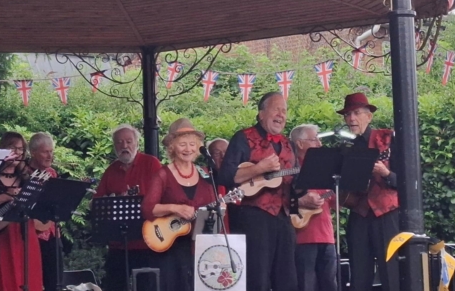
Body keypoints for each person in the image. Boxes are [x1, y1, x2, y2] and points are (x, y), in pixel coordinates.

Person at [217, 92, 317, 291]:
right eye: (276, 109)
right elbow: (226, 177)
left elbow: (295, 185)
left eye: (284, 110)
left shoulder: (288, 145)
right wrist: (259, 168)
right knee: (258, 279)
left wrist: (307, 180)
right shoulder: (243, 138)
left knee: (287, 279)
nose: (281, 114)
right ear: (261, 114)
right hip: (252, 218)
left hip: (283, 219)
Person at [143, 118, 219, 291]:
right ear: (172, 147)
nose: (188, 149)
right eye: (182, 144)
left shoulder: (204, 173)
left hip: (196, 246)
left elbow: (209, 206)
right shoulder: (163, 174)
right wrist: (174, 208)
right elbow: (148, 208)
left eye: (192, 144)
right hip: (169, 247)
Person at [337, 93, 400, 291]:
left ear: (369, 116)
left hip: (386, 214)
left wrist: (387, 173)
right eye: (347, 115)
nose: (351, 119)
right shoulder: (346, 147)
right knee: (359, 274)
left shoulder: (388, 138)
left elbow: (409, 180)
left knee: (391, 271)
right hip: (359, 214)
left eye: (356, 113)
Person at [93, 124, 164, 291]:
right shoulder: (111, 170)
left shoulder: (151, 164)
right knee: (115, 284)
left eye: (128, 141)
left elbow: (164, 195)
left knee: (147, 286)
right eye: (119, 142)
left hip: (147, 242)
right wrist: (114, 201)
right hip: (118, 244)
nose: (124, 146)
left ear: (136, 143)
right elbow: (96, 203)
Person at [289, 124, 338, 291]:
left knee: (330, 285)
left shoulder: (325, 169)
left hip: (327, 237)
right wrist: (301, 201)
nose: (319, 143)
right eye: (314, 139)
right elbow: (278, 201)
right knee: (305, 285)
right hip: (303, 237)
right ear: (300, 144)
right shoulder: (290, 169)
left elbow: (335, 203)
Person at [0, 154, 45, 291]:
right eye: (13, 148)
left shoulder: (25, 177)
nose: (16, 153)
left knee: (29, 272)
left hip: (25, 228)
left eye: (20, 149)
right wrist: (5, 197)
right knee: (7, 271)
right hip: (4, 230)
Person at [25, 133, 63, 291]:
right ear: (33, 152)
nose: (50, 156)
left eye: (51, 151)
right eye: (45, 152)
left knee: (55, 280)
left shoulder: (52, 173)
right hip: (33, 234)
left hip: (52, 233)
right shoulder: (24, 172)